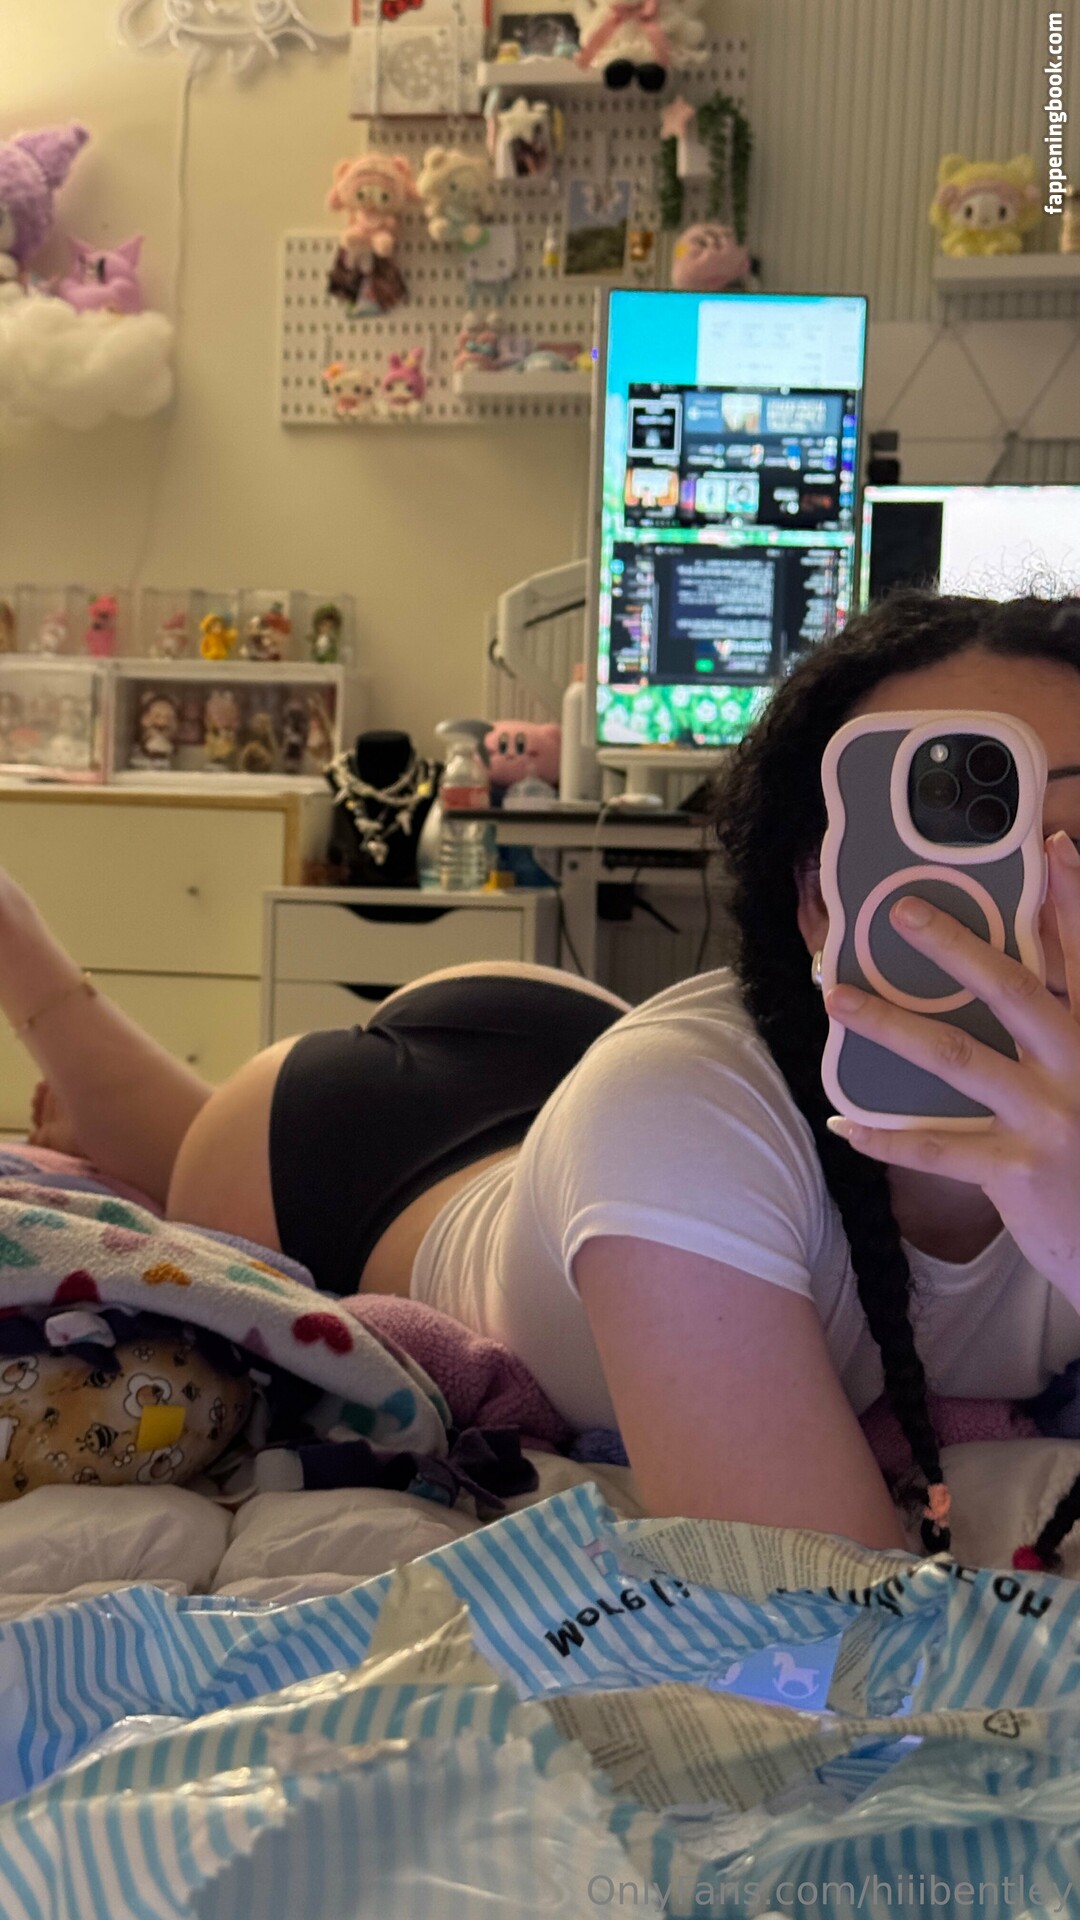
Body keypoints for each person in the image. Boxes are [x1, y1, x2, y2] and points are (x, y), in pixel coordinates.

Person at [12, 589, 1080, 1568]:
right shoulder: (679, 1122)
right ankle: (28, 962)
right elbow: (834, 1612)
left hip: (580, 1083)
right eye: (958, 844)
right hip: (365, 1147)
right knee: (189, 1148)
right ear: (817, 901)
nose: (1029, 899)